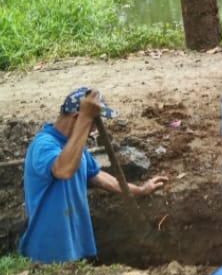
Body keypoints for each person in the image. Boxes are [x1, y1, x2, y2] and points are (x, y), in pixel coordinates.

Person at [19, 87, 169, 264]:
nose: (94, 131)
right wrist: (85, 118)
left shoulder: (75, 147)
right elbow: (63, 170)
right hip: (47, 255)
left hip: (74, 251)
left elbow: (98, 176)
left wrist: (140, 190)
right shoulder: (43, 145)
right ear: (77, 118)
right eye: (93, 124)